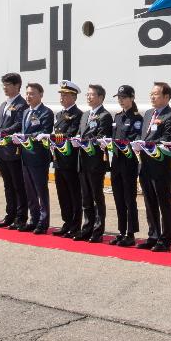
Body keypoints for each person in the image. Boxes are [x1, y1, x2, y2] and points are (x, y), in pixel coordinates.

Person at [137, 82, 171, 252]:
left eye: (156, 94)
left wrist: (145, 143)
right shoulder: (148, 114)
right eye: (151, 94)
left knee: (163, 203)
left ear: (166, 97)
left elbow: (167, 138)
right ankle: (153, 235)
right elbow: (145, 134)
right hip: (145, 165)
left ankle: (165, 239)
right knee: (149, 202)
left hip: (161, 166)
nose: (152, 97)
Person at [77, 84, 113, 242]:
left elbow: (101, 137)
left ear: (100, 97)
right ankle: (87, 228)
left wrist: (84, 140)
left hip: (96, 161)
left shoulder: (104, 115)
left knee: (97, 197)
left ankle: (98, 231)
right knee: (85, 197)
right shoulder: (85, 115)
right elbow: (81, 133)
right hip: (82, 161)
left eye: (92, 95)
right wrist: (77, 139)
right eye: (87, 94)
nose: (89, 97)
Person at [19, 82, 55, 234]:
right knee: (30, 191)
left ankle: (43, 221)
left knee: (41, 190)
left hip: (39, 157)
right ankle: (33, 219)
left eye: (32, 93)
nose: (28, 96)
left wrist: (25, 136)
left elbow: (44, 131)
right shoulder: (26, 112)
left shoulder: (46, 112)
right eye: (27, 93)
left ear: (41, 95)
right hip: (25, 156)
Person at [110, 85, 142, 247]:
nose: (121, 100)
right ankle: (122, 231)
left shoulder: (136, 118)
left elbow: (136, 138)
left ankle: (130, 233)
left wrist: (126, 144)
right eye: (119, 97)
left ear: (131, 98)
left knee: (130, 199)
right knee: (118, 199)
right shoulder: (116, 117)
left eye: (124, 97)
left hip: (129, 163)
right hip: (116, 163)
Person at [51, 81, 84, 237]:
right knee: (62, 193)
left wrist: (52, 138)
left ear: (73, 97)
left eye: (65, 95)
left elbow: (70, 134)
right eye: (61, 95)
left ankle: (75, 225)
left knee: (74, 194)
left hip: (70, 160)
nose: (62, 98)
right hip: (58, 159)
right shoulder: (59, 114)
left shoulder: (78, 115)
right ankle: (67, 222)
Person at [0, 73, 28, 229]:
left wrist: (3, 132)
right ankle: (10, 214)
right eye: (3, 85)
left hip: (14, 151)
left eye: (8, 84)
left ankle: (21, 217)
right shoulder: (3, 105)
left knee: (18, 185)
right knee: (8, 185)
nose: (5, 88)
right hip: (2, 150)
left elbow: (18, 124)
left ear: (17, 86)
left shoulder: (22, 105)